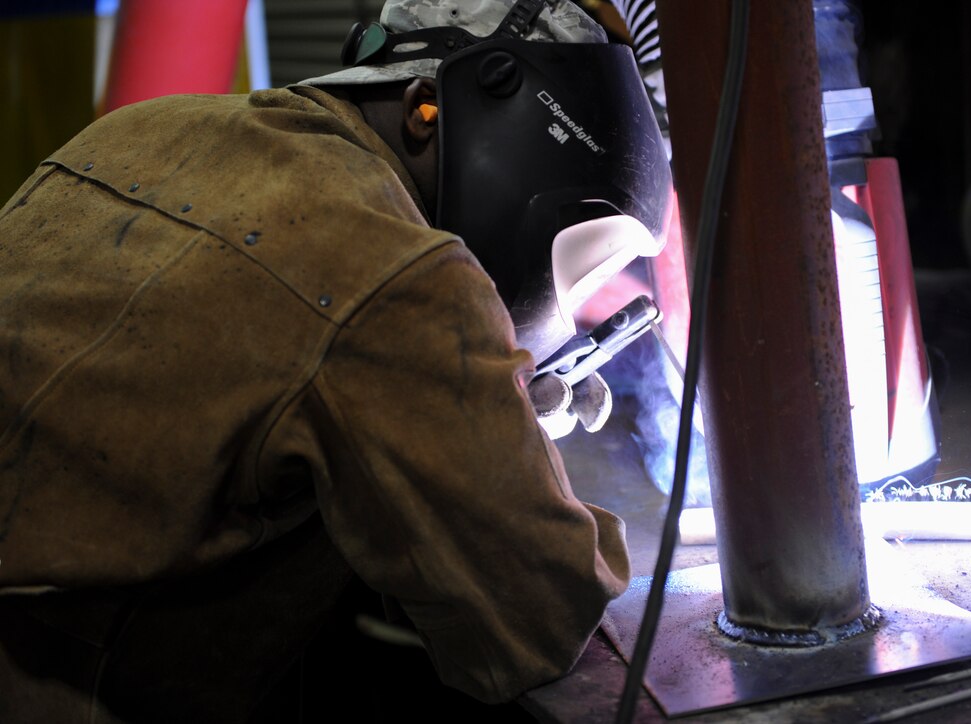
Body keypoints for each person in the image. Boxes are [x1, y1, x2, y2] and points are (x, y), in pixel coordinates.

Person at [0, 0, 672, 721]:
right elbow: (531, 621)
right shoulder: (398, 269)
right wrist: (504, 452)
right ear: (426, 109)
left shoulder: (145, 128)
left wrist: (452, 406)